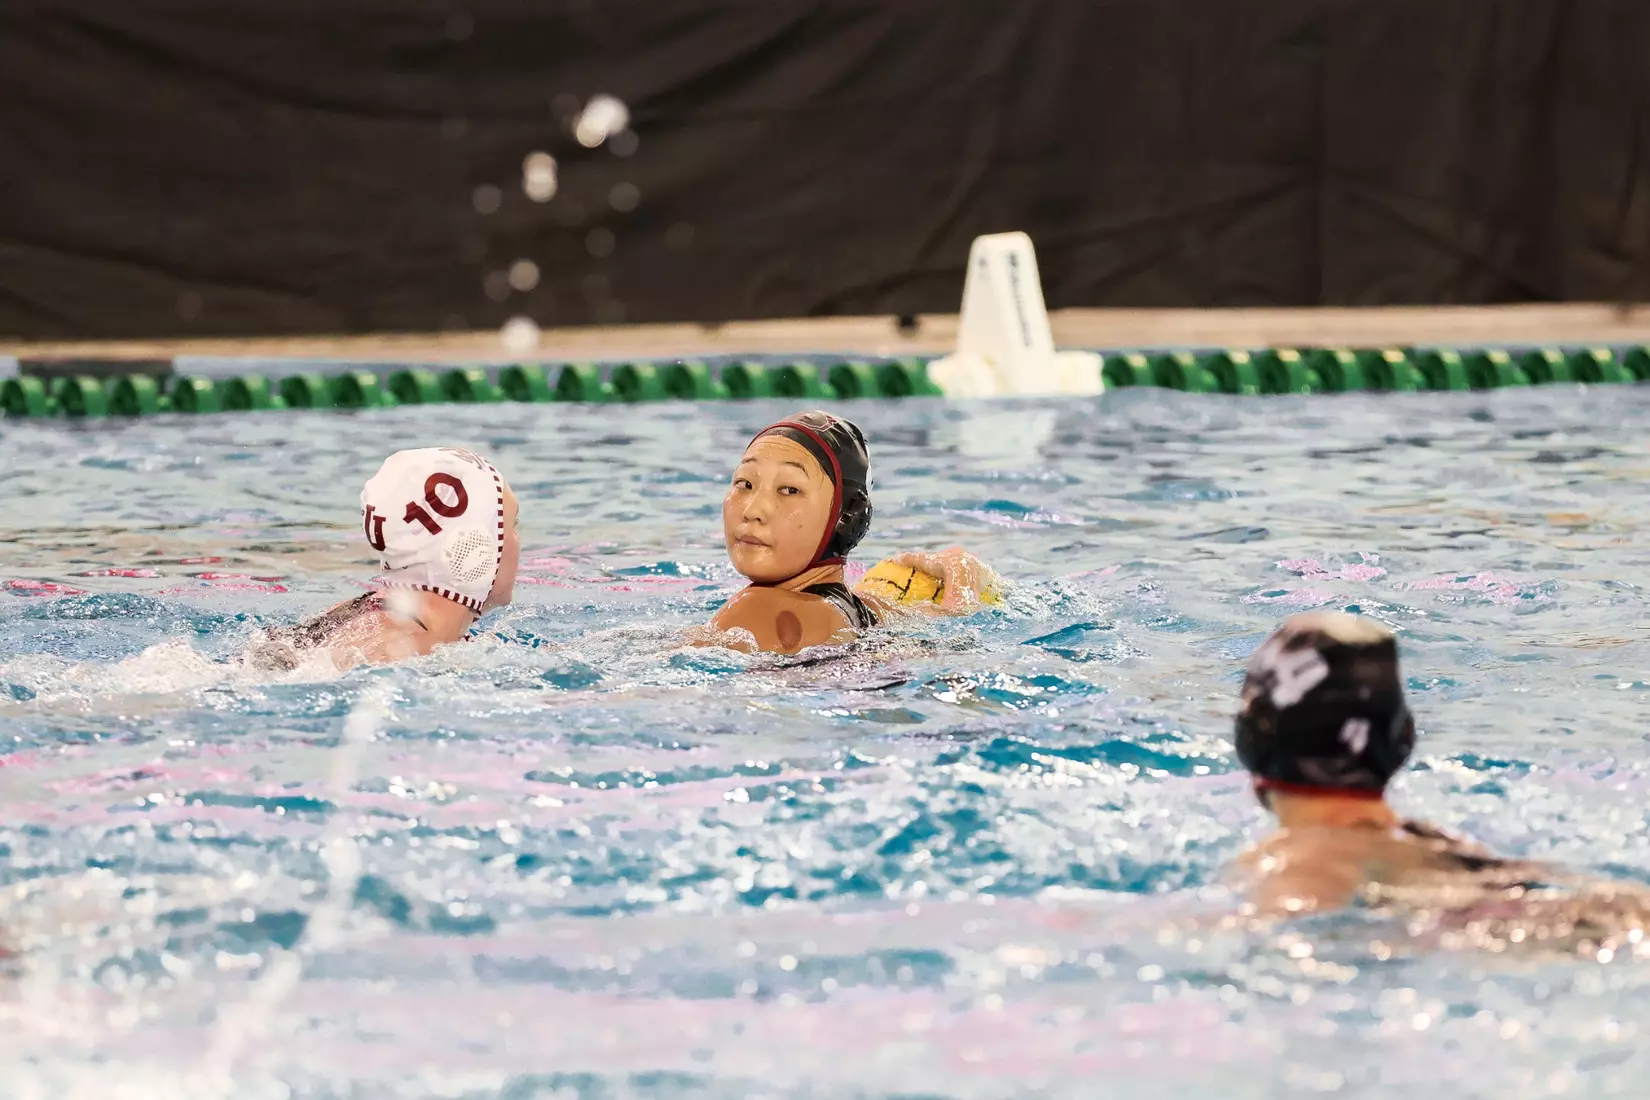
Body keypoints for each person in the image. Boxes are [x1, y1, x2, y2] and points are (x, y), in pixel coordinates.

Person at [1231, 611, 1650, 956]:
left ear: (1252, 738)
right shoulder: (1437, 843)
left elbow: (1287, 939)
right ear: (1401, 740)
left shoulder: (1300, 858)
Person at [704, 410, 997, 655]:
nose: (753, 510)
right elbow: (956, 600)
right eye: (744, 483)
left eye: (789, 490)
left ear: (845, 516)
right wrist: (961, 579)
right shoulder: (865, 612)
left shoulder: (754, 612)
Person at [249, 447, 520, 671]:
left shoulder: (364, 615)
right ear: (473, 546)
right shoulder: (401, 650)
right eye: (511, 526)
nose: (517, 542)